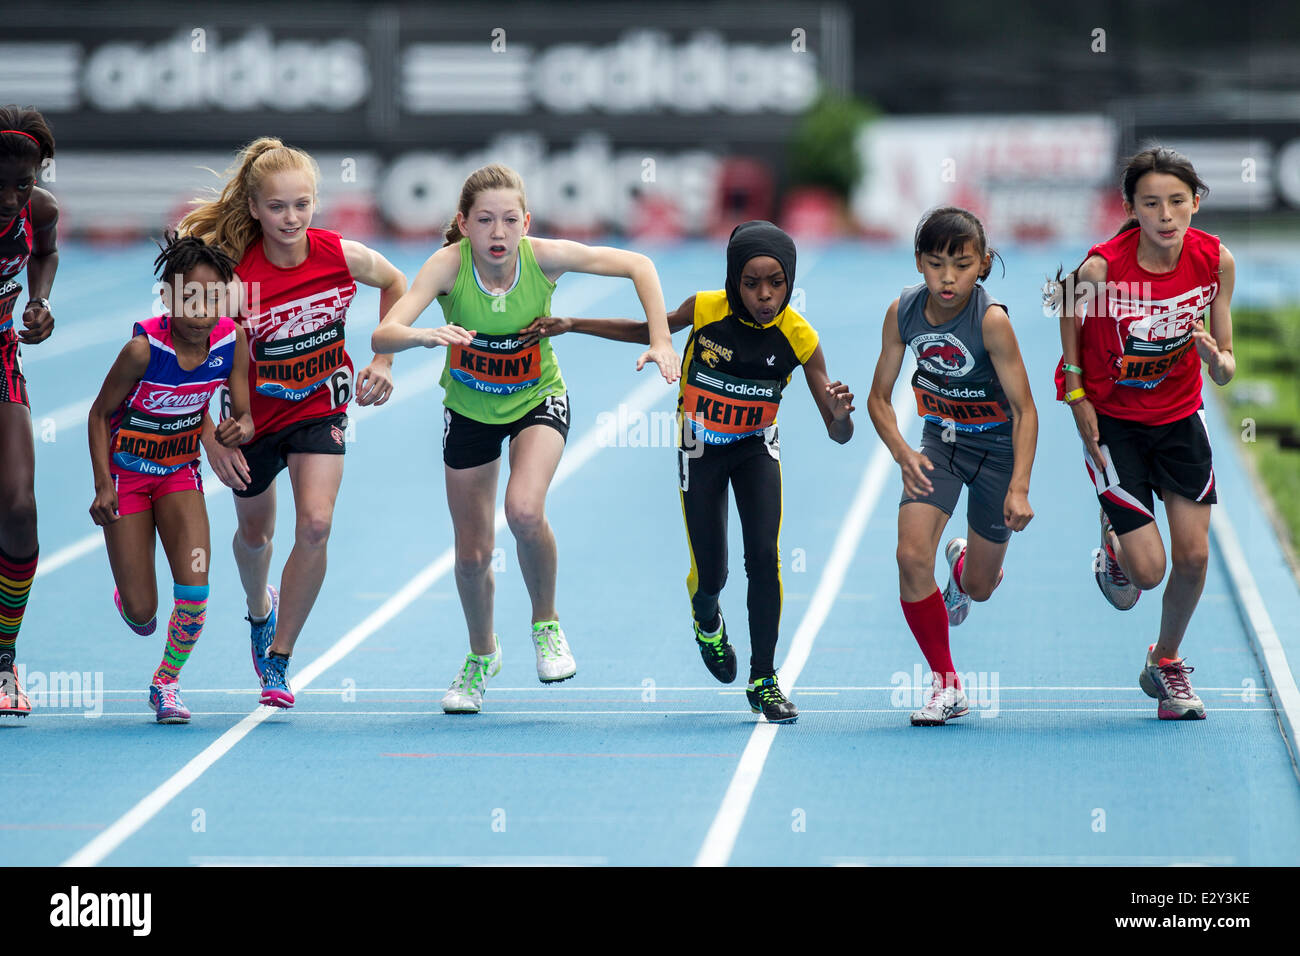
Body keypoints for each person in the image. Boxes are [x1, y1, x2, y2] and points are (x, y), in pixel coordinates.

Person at [371, 163, 678, 714]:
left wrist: (661, 340)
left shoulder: (543, 258)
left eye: (509, 220)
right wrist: (424, 335)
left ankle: (546, 623)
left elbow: (640, 264)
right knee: (471, 556)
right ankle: (481, 655)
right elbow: (383, 330)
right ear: (463, 224)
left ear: (526, 222)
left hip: (538, 399)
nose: (497, 232)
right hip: (468, 410)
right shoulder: (446, 266)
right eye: (485, 220)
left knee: (525, 512)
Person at [525, 220, 854, 724]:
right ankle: (706, 615)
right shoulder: (705, 309)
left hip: (755, 452)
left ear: (790, 280)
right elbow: (648, 330)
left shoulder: (800, 339)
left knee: (764, 556)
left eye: (776, 283)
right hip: (699, 450)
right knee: (713, 572)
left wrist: (840, 413)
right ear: (732, 281)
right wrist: (573, 323)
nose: (765, 295)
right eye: (751, 283)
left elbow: (840, 436)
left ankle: (764, 679)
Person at [180, 137, 406, 708]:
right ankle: (260, 608)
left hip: (319, 411)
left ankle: (278, 659)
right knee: (255, 535)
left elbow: (398, 283)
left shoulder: (340, 254)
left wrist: (383, 357)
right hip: (251, 424)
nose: (291, 218)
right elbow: (184, 359)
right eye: (277, 207)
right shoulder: (232, 280)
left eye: (302, 205)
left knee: (316, 526)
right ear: (254, 208)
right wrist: (208, 437)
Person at [1053, 147, 1234, 720]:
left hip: (1180, 418)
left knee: (1195, 557)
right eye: (1150, 203)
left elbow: (1226, 358)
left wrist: (1220, 363)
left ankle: (1166, 662)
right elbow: (1062, 304)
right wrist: (1076, 390)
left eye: (1177, 202)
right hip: (1115, 424)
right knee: (1147, 574)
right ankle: (1117, 550)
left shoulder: (1215, 261)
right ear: (1130, 206)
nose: (1165, 214)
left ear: (1195, 203)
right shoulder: (1104, 267)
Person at [866, 207, 1037, 726]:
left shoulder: (991, 322)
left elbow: (1027, 410)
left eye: (961, 265)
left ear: (982, 265)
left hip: (996, 453)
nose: (947, 277)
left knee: (981, 589)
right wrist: (902, 452)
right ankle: (947, 684)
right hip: (938, 444)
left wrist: (1020, 489)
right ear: (919, 261)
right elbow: (878, 398)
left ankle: (963, 569)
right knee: (910, 555)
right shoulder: (902, 313)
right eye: (936, 263)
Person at [87, 233, 253, 722]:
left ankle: (166, 683)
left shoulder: (231, 340)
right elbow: (99, 415)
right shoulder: (142, 350)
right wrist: (103, 485)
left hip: (180, 475)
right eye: (190, 297)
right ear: (168, 297)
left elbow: (244, 416)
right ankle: (130, 589)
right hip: (129, 481)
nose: (202, 311)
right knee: (142, 614)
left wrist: (236, 428)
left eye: (213, 298)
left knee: (196, 592)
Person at [0, 107, 58, 718]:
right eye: (0, 184)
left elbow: (45, 253)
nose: (11, 197)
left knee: (18, 507)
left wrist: (38, 303)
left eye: (24, 183)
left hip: (0, 360)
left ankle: (2, 659)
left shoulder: (38, 211)